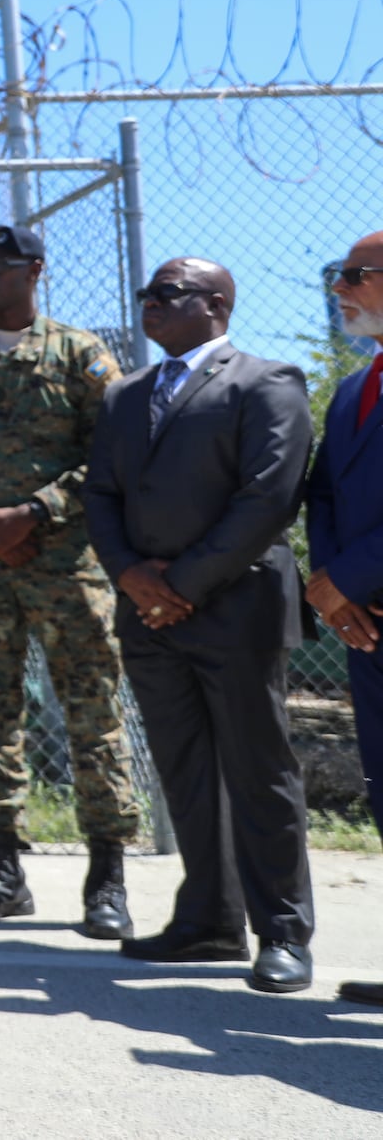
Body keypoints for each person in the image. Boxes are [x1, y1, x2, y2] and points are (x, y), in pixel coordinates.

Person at [86, 257, 315, 994]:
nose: (149, 303)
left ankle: (281, 928)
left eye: (168, 293)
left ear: (216, 303)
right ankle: (209, 918)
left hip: (235, 606)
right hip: (150, 616)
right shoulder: (125, 395)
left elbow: (268, 497)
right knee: (186, 769)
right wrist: (131, 574)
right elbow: (101, 494)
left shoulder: (265, 382)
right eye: (147, 293)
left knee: (258, 769)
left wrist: (178, 583)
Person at [0, 224, 141, 937]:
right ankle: (3, 869)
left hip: (66, 566)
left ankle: (107, 878)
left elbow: (112, 451)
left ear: (36, 269)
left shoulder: (80, 354)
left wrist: (37, 510)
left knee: (91, 713)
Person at [306, 231, 383, 1008]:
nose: (342, 289)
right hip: (368, 624)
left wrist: (345, 577)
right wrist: (330, 585)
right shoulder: (354, 388)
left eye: (356, 275)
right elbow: (325, 492)